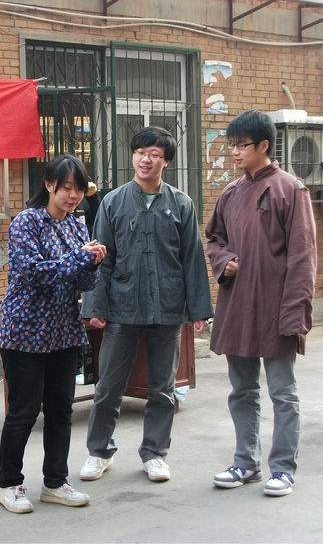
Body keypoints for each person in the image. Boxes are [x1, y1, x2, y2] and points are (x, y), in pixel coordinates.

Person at [79, 126, 212, 483]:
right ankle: (99, 452)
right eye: (140, 152)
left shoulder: (181, 204)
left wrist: (199, 310)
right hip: (122, 307)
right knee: (109, 385)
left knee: (162, 389)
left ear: (166, 161)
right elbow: (102, 259)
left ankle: (155, 453)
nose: (145, 159)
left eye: (154, 154)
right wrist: (95, 307)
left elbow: (192, 258)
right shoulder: (113, 202)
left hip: (168, 308)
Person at [205, 109, 317, 497]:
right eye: (232, 145)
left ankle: (283, 468)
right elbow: (214, 239)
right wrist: (223, 261)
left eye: (242, 145)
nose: (235, 151)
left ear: (264, 145)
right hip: (238, 306)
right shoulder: (231, 193)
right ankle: (246, 462)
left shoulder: (290, 190)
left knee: (283, 392)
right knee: (242, 390)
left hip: (276, 308)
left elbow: (304, 257)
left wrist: (295, 312)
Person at [0, 154, 107, 514]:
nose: (73, 196)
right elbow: (33, 273)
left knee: (61, 411)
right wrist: (79, 258)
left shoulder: (76, 225)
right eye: (66, 188)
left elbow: (83, 282)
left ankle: (55, 482)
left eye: (79, 189)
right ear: (48, 185)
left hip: (63, 331)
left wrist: (93, 264)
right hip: (25, 332)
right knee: (24, 411)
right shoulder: (26, 222)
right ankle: (9, 484)